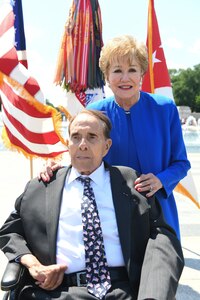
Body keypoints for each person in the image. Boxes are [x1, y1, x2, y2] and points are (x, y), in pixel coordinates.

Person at [0, 110, 184, 300]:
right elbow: (10, 231)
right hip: (59, 292)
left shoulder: (131, 183)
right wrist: (32, 264)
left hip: (124, 290)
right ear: (68, 144)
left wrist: (152, 294)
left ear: (107, 146)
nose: (82, 145)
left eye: (92, 137)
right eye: (76, 137)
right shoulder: (42, 186)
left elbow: (163, 238)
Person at [40, 35, 190, 240]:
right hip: (110, 217)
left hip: (160, 213)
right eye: (117, 71)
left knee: (162, 268)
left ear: (142, 75)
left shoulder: (165, 109)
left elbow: (181, 163)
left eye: (132, 70)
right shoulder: (94, 113)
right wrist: (56, 168)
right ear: (107, 77)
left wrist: (160, 180)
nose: (125, 78)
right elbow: (83, 156)